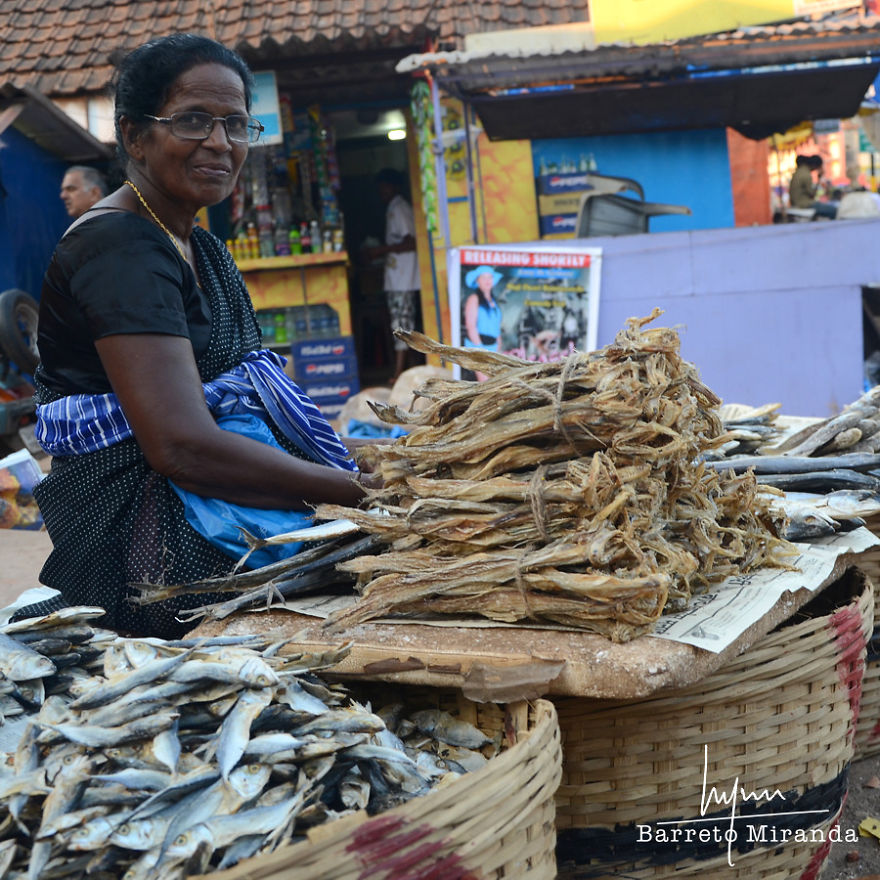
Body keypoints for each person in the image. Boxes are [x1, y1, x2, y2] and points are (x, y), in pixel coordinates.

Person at [21, 34, 377, 638]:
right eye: (192, 120)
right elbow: (181, 449)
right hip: (145, 538)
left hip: (197, 501)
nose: (220, 142)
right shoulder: (119, 247)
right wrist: (362, 492)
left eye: (235, 124)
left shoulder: (198, 243)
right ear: (135, 136)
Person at [365, 168, 421, 382]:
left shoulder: (399, 208)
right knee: (402, 323)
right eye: (380, 188)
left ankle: (399, 373)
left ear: (395, 187)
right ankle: (410, 370)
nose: (382, 191)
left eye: (385, 187)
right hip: (398, 279)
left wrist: (381, 250)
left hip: (403, 279)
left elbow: (411, 242)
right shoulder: (393, 208)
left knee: (402, 325)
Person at [462, 264, 503, 381]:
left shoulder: (493, 301)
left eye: (490, 277)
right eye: (484, 277)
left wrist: (499, 345)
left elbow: (496, 326)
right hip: (479, 348)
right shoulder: (473, 299)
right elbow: (471, 326)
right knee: (486, 384)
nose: (487, 280)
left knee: (496, 383)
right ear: (477, 281)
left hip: (493, 348)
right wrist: (480, 350)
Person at [788, 155, 837, 219]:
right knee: (834, 210)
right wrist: (819, 178)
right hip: (804, 204)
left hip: (797, 203)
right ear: (815, 165)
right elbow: (812, 195)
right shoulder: (806, 174)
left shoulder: (799, 172)